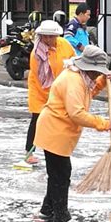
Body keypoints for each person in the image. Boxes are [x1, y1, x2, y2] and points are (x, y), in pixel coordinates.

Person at [34, 45, 111, 222]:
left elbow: (88, 94)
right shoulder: (73, 81)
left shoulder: (80, 77)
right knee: (61, 174)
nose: (96, 74)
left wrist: (102, 81)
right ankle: (61, 216)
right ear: (88, 67)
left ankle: (48, 209)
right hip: (55, 130)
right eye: (97, 72)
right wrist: (103, 124)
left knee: (56, 173)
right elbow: (76, 113)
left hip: (59, 131)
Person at [25, 19, 76, 161]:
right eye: (45, 36)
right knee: (38, 119)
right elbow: (41, 79)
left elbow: (74, 60)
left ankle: (56, 148)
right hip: (40, 90)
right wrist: (53, 99)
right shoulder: (37, 54)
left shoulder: (64, 44)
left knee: (58, 121)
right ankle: (29, 151)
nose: (47, 39)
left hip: (61, 88)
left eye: (51, 36)